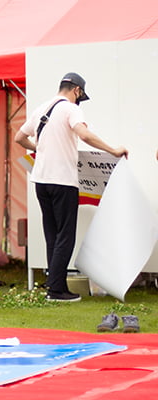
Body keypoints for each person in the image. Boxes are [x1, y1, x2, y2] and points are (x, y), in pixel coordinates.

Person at [15, 72, 128, 302]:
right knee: (66, 236)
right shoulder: (71, 109)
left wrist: (37, 147)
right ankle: (56, 290)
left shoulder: (41, 108)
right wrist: (113, 150)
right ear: (76, 90)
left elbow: (19, 137)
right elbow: (84, 134)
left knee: (52, 236)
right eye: (80, 95)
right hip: (63, 181)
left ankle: (53, 285)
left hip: (41, 181)